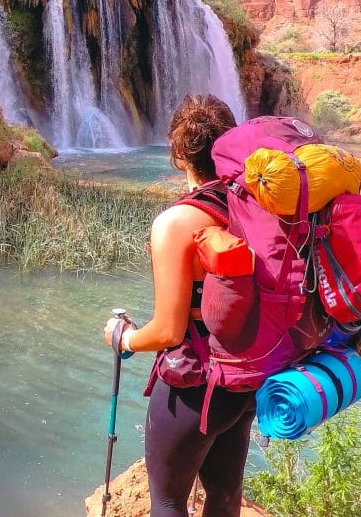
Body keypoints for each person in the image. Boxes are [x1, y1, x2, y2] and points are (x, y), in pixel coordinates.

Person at [103, 94, 253, 517]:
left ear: (179, 154)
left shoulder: (176, 223)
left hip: (193, 387)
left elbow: (168, 331)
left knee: (168, 502)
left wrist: (124, 338)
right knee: (225, 496)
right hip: (242, 380)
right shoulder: (250, 209)